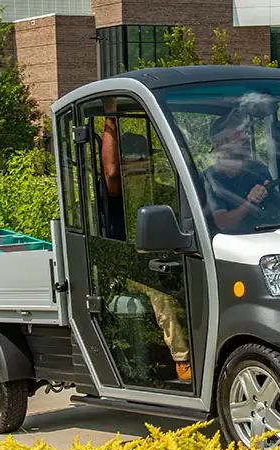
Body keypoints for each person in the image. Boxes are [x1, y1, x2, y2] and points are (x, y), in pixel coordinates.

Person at [100, 97, 191, 381]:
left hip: (170, 259)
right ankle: (183, 360)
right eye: (134, 157)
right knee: (161, 292)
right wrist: (110, 118)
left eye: (144, 157)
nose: (141, 162)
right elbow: (111, 171)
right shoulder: (122, 190)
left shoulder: (163, 190)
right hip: (133, 267)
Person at [204, 111, 280, 233]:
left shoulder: (258, 169)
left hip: (268, 237)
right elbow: (222, 223)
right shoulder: (210, 178)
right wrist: (249, 203)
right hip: (234, 244)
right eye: (238, 134)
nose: (246, 137)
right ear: (221, 143)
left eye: (245, 132)